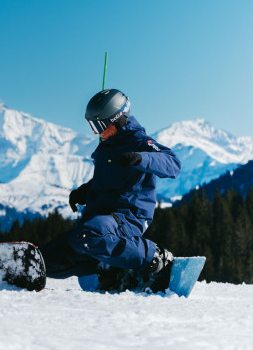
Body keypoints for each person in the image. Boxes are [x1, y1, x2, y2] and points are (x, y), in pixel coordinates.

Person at [42, 89, 182, 292]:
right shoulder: (106, 148)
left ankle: (155, 257)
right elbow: (107, 180)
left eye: (99, 125)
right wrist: (84, 191)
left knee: (89, 235)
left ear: (118, 119)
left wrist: (141, 158)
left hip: (128, 217)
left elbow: (173, 164)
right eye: (92, 125)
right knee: (50, 257)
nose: (96, 132)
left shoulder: (141, 142)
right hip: (101, 220)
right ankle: (106, 269)